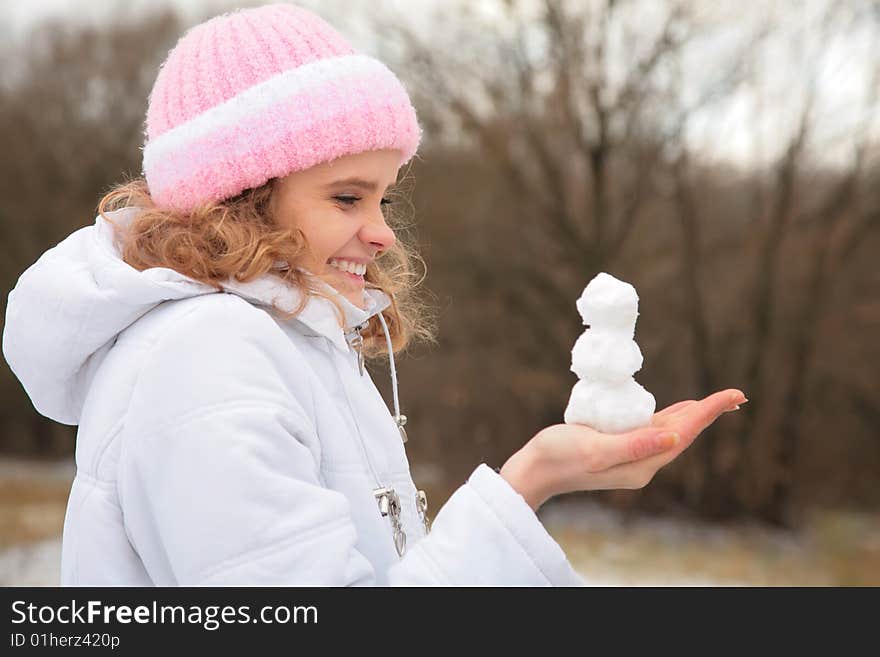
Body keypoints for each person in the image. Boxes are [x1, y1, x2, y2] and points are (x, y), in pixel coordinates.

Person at [1, 4, 745, 586]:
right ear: (239, 197)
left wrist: (545, 475)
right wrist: (532, 478)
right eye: (349, 196)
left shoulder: (289, 341)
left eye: (385, 199)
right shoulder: (206, 360)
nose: (382, 232)